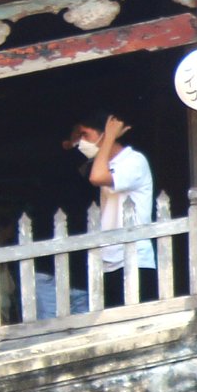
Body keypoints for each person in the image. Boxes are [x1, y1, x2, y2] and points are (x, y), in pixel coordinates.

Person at [64, 115, 157, 303]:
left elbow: (96, 178)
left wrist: (108, 138)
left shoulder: (134, 161)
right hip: (110, 261)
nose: (82, 142)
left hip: (134, 259)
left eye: (86, 135)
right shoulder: (106, 163)